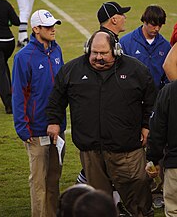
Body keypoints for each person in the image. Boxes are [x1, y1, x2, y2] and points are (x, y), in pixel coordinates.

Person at [46, 30, 157, 217]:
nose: (98, 57)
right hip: (91, 152)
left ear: (115, 50)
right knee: (98, 206)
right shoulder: (71, 70)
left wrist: (147, 126)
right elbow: (56, 99)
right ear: (87, 50)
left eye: (103, 53)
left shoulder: (136, 70)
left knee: (137, 200)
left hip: (126, 150)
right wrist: (54, 121)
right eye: (94, 52)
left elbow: (152, 102)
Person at [78, 1, 132, 217]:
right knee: (106, 167)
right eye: (122, 14)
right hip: (104, 117)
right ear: (114, 19)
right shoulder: (103, 43)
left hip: (105, 116)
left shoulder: (111, 39)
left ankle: (115, 205)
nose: (125, 18)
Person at [12, 9, 66, 217]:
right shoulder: (23, 57)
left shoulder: (57, 50)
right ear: (36, 29)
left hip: (57, 129)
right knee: (39, 183)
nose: (53, 29)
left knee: (54, 180)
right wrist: (24, 130)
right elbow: (19, 95)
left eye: (53, 25)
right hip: (35, 131)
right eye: (48, 26)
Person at [120, 5, 171, 91]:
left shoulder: (165, 45)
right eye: (153, 25)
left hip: (157, 96)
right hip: (133, 96)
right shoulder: (126, 42)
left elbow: (168, 74)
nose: (157, 29)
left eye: (160, 25)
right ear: (145, 21)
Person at [146, 80, 177, 217]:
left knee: (174, 210)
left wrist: (153, 159)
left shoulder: (169, 90)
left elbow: (157, 129)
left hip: (175, 163)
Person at [0, 0, 20, 114]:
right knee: (3, 67)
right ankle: (12, 99)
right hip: (9, 42)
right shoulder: (4, 4)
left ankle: (9, 105)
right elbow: (16, 21)